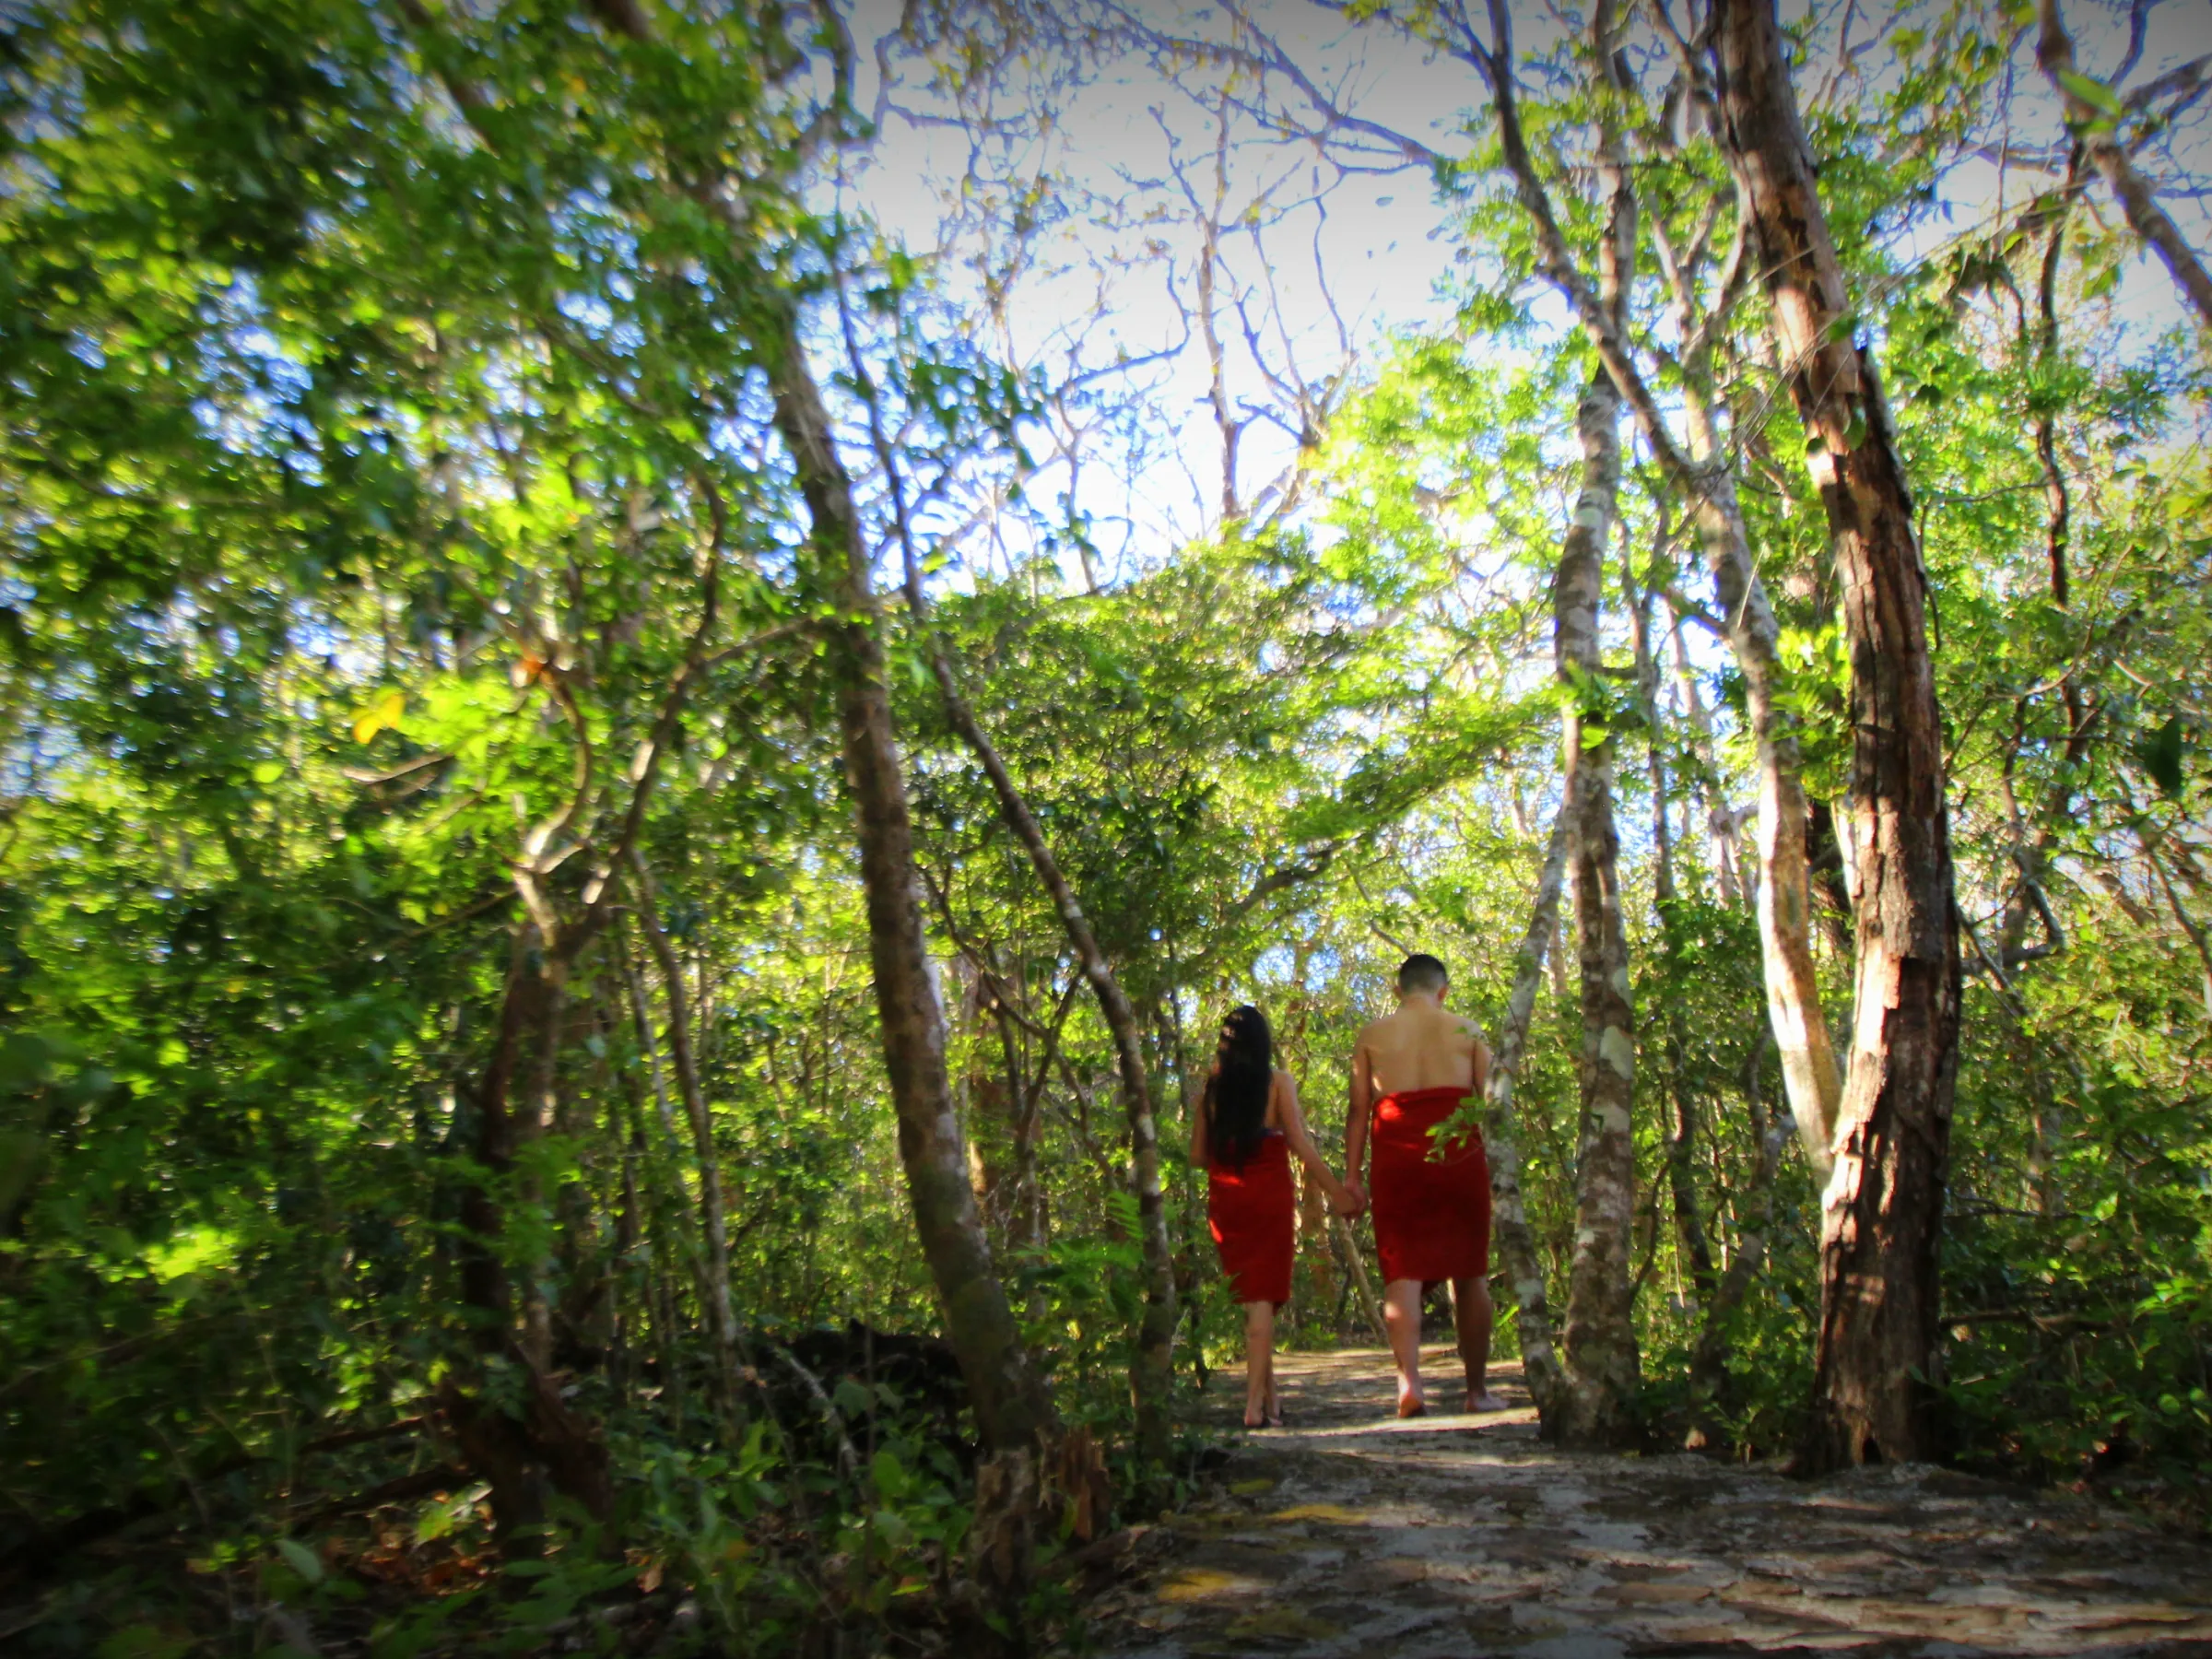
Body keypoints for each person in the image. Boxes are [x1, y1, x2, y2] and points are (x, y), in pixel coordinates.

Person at [1345, 953, 1507, 1418]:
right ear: (1444, 991)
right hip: (1458, 1154)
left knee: (1403, 1271)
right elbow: (1493, 1101)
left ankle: (1409, 1384)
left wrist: (1353, 1179)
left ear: (1398, 992)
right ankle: (1476, 1390)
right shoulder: (1467, 1029)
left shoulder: (1372, 1035)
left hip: (1397, 1158)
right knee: (1470, 1269)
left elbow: (1359, 1112)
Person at [1191, 1005, 1364, 1430]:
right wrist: (1340, 1194)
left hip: (1226, 1198)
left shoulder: (1210, 1090)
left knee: (1254, 1300)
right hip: (1268, 1195)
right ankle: (1253, 1407)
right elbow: (1300, 1146)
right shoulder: (1277, 1083)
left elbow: (1197, 1155)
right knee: (1262, 1297)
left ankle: (1270, 1400)